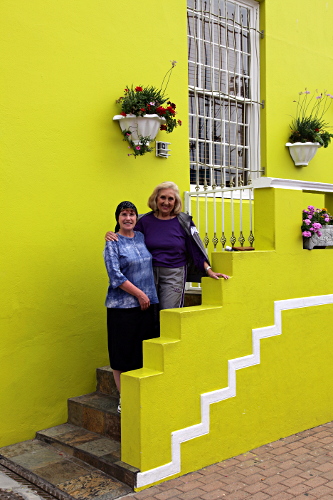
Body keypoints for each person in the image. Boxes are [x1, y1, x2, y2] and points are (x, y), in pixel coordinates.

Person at [105, 182, 229, 310]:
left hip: (173, 275)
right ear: (156, 199)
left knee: (169, 313)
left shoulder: (184, 222)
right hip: (148, 274)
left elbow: (195, 249)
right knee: (149, 315)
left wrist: (208, 270)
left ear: (176, 202)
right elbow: (125, 233)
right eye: (163, 197)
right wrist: (111, 234)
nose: (166, 202)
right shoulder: (144, 221)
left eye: (171, 199)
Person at [104, 201, 159, 413]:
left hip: (146, 306)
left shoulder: (141, 237)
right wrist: (139, 294)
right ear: (117, 218)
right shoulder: (112, 243)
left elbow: (155, 213)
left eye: (132, 214)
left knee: (141, 353)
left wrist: (146, 297)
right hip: (122, 308)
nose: (128, 218)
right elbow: (115, 276)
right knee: (122, 355)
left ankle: (142, 394)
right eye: (124, 214)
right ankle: (124, 399)